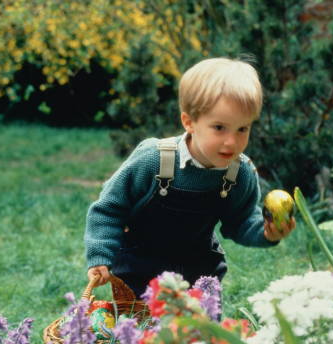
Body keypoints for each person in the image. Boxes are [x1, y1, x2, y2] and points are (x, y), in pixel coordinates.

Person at [84, 57, 296, 298]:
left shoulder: (239, 173)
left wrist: (266, 232)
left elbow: (242, 221)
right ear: (189, 122)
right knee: (142, 334)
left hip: (199, 274)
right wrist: (100, 255)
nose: (232, 141)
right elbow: (110, 209)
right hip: (139, 271)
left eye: (242, 129)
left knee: (197, 335)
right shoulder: (154, 160)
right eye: (219, 128)